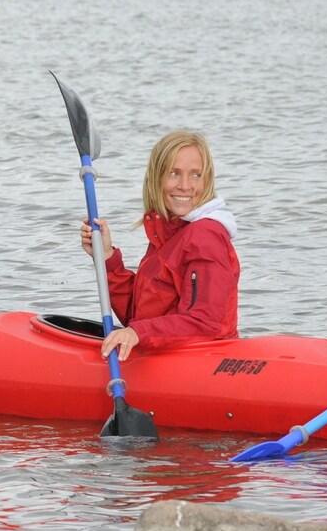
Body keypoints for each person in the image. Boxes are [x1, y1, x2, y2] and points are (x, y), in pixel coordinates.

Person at [78, 128, 239, 361]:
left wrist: (138, 333)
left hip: (199, 362)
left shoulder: (205, 236)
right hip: (163, 356)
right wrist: (107, 258)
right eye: (174, 173)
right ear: (156, 178)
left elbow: (207, 322)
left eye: (196, 175)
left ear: (207, 181)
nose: (185, 185)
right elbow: (139, 315)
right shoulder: (168, 232)